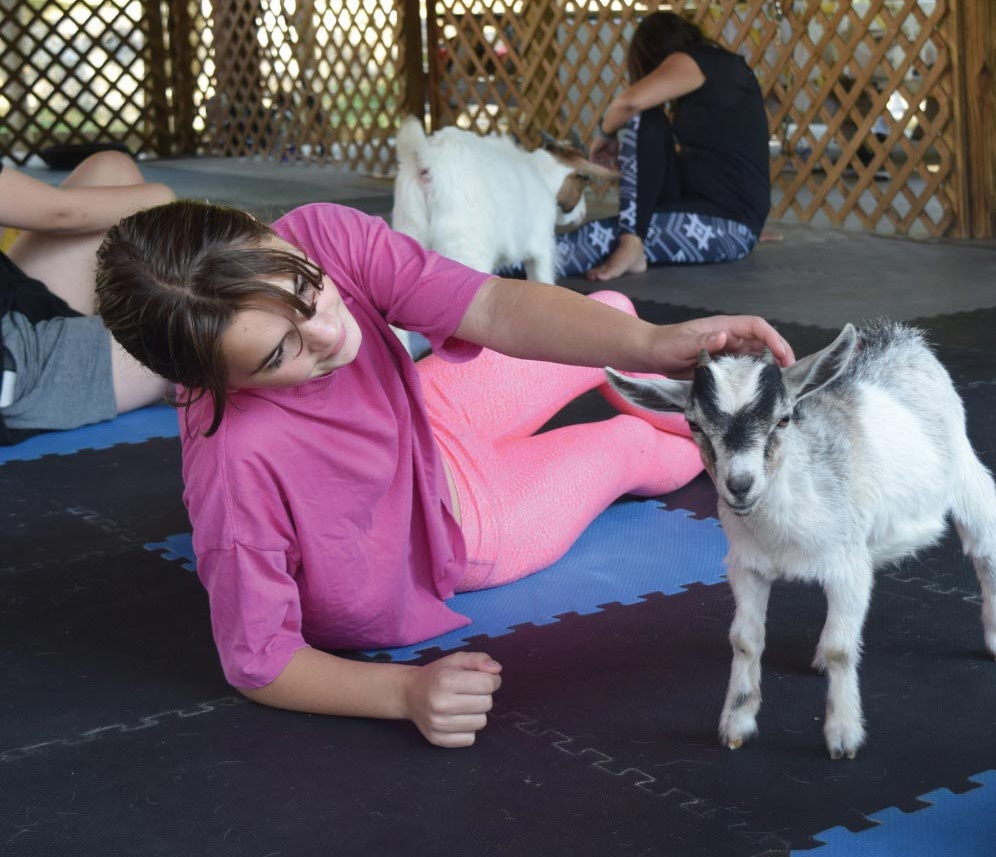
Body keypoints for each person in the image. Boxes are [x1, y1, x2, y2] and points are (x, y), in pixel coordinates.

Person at [94, 198, 794, 747]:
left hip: (429, 423)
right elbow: (260, 661)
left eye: (307, 288)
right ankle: (726, 442)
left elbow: (489, 304)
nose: (329, 332)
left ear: (263, 234)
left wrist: (655, 343)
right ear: (212, 383)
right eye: (281, 354)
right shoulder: (235, 461)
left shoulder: (319, 235)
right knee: (627, 445)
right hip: (459, 526)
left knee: (612, 316)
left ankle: (721, 412)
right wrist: (403, 694)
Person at [555, 11, 772, 282]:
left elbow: (628, 103)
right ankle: (633, 238)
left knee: (598, 238)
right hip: (714, 217)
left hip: (728, 226)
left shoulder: (696, 59)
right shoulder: (721, 73)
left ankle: (631, 242)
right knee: (650, 121)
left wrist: (605, 135)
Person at [0, 152, 174, 445]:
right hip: (18, 366)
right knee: (197, 340)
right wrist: (165, 197)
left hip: (11, 308)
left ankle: (101, 331)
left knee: (112, 171)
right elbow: (62, 214)